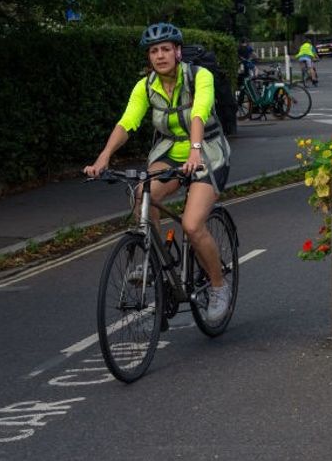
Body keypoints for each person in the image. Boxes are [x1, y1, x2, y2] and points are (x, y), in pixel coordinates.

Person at [84, 22, 233, 322]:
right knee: (142, 195)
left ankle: (218, 286)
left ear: (177, 52)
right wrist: (104, 157)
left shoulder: (199, 76)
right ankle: (153, 260)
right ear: (149, 57)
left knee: (191, 225)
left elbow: (200, 111)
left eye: (166, 49)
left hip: (207, 151)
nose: (160, 55)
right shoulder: (145, 86)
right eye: (154, 51)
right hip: (169, 152)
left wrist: (194, 150)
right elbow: (127, 122)